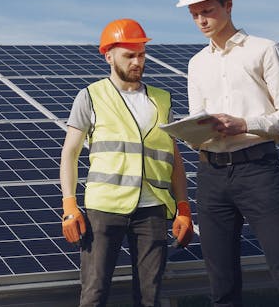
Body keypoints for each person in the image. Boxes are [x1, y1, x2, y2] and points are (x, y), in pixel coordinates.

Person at [177, 0, 279, 307]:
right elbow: (199, 120)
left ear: (229, 5)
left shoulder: (264, 50)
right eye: (194, 14)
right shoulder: (196, 64)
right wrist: (194, 135)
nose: (201, 20)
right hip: (211, 177)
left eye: (207, 10)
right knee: (221, 285)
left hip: (259, 172)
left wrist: (244, 124)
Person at [60, 18, 193, 307]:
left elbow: (173, 157)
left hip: (153, 209)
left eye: (141, 55)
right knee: (94, 294)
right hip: (104, 208)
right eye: (129, 55)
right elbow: (70, 152)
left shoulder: (162, 100)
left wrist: (183, 205)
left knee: (150, 296)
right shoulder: (90, 96)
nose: (137, 62)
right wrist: (69, 205)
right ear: (109, 56)